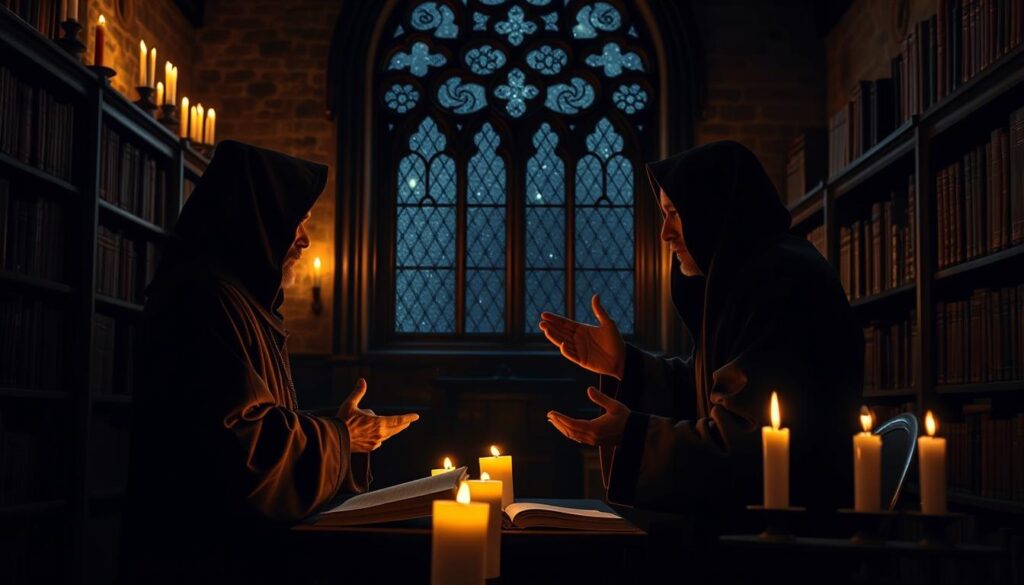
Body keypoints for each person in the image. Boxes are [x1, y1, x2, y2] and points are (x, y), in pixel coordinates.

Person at [121, 141, 419, 584]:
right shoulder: (205, 299)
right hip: (201, 558)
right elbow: (240, 445)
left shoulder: (237, 299)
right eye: (297, 222)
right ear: (255, 219)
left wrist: (340, 433)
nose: (304, 239)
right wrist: (340, 437)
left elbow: (252, 418)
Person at [541, 140, 862, 526]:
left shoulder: (780, 280)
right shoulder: (751, 275)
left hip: (790, 534)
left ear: (712, 211)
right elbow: (715, 397)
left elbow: (749, 440)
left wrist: (635, 435)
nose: (665, 234)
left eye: (674, 214)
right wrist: (625, 363)